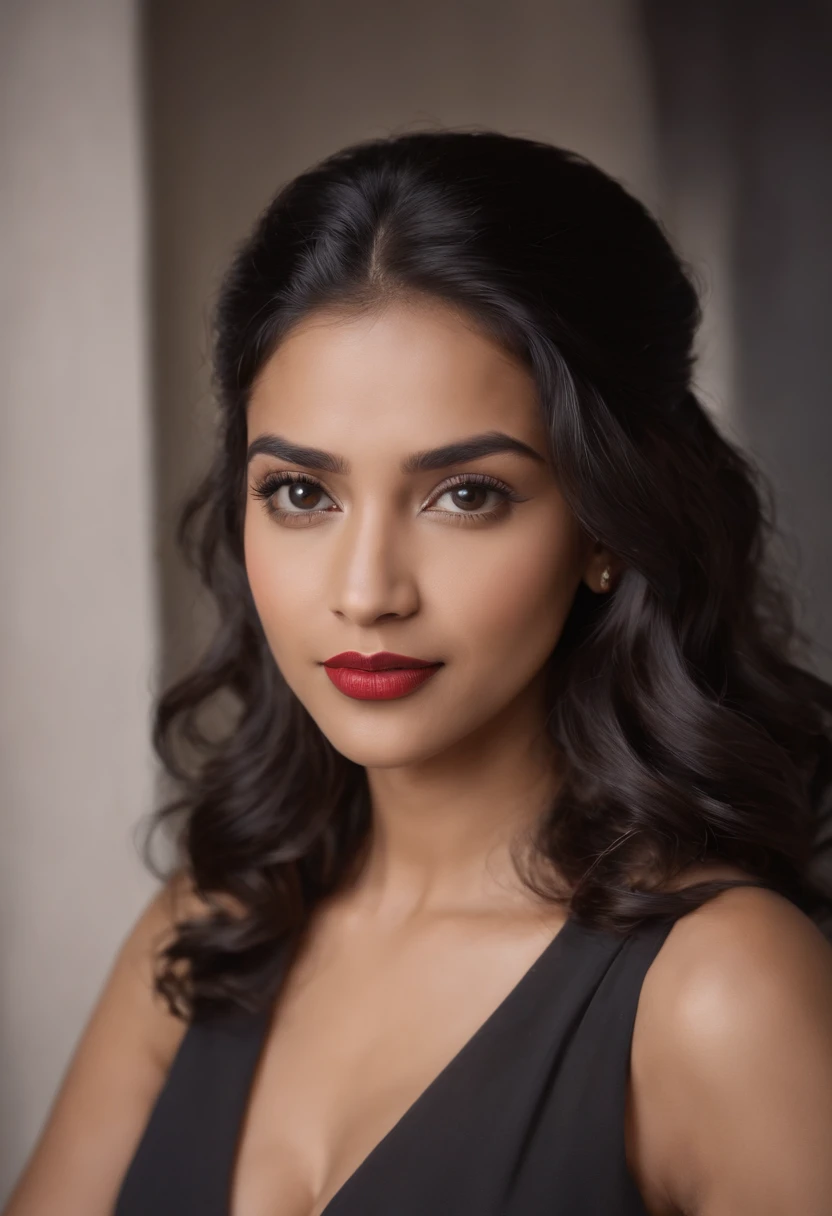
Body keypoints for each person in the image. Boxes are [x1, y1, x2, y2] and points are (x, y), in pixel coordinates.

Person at [5, 128, 832, 1216]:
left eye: (465, 494)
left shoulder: (718, 990)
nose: (365, 590)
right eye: (302, 492)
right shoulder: (209, 931)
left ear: (607, 523)